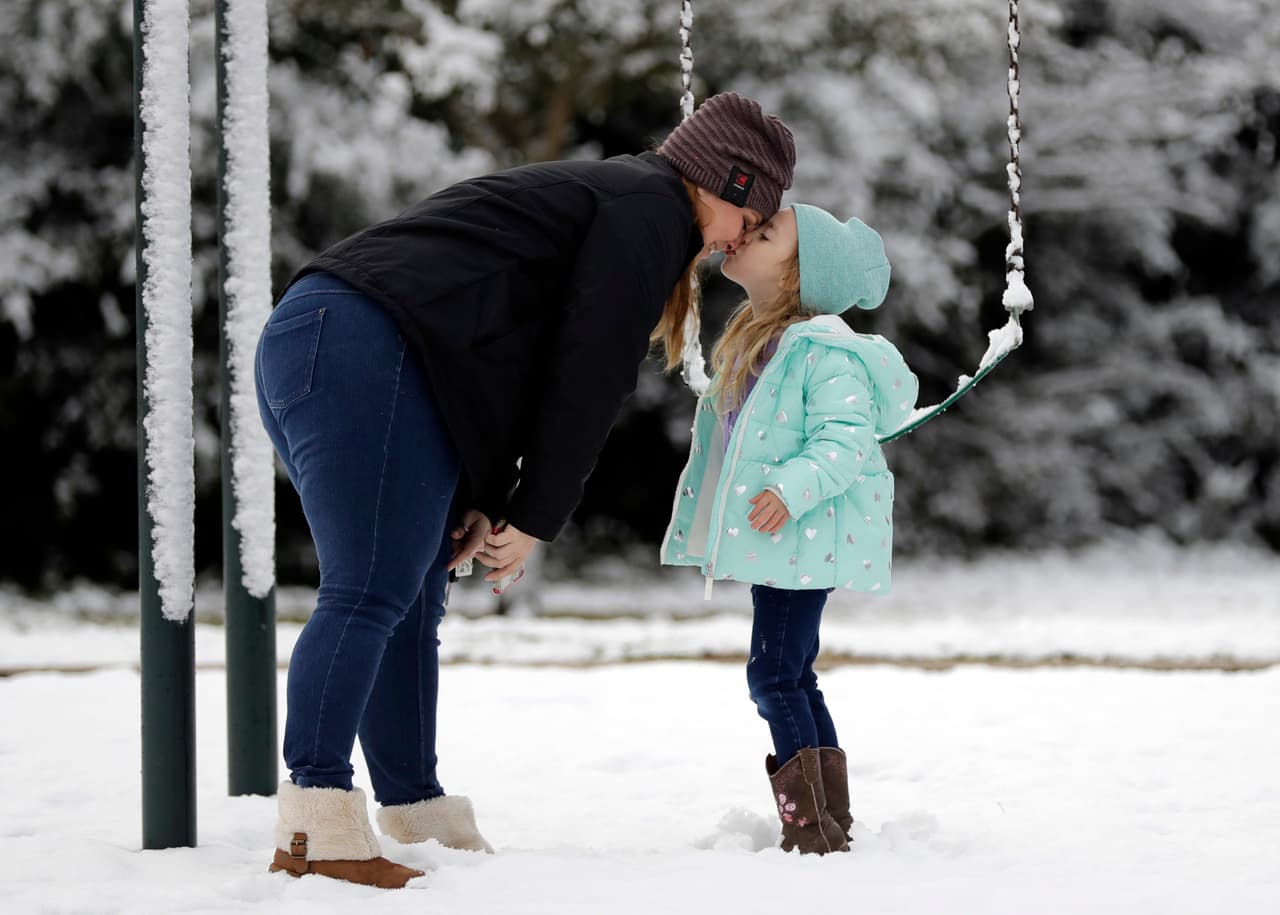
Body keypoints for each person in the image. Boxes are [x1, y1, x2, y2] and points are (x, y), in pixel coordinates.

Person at [255, 92, 795, 887]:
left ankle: (415, 810)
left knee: (409, 590)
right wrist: (536, 513)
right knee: (371, 585)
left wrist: (485, 493)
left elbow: (500, 348)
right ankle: (315, 823)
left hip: (355, 344)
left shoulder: (624, 200)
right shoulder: (649, 210)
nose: (739, 241)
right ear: (725, 183)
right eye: (749, 219)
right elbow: (587, 370)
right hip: (363, 340)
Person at [659, 203, 918, 854]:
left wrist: (787, 487)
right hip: (786, 545)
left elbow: (845, 438)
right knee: (793, 674)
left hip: (802, 537)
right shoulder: (761, 337)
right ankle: (828, 822)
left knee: (773, 677)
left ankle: (810, 831)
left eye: (766, 233)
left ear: (798, 275)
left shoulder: (821, 351)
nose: (745, 236)